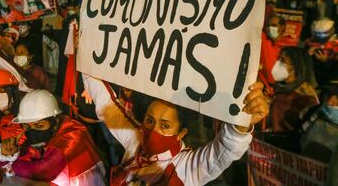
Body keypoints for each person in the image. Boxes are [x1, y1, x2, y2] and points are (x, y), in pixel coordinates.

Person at [83, 74, 268, 185]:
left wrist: (242, 120)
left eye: (165, 126)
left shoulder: (187, 166)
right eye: (149, 121)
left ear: (181, 133)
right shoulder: (136, 140)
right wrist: (87, 63)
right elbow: (107, 106)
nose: (153, 130)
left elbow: (225, 150)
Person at [0, 89, 106, 185]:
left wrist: (10, 165)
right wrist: (4, 154)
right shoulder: (45, 136)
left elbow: (43, 170)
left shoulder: (72, 135)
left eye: (39, 125)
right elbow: (0, 169)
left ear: (54, 122)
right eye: (26, 126)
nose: (32, 131)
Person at [270, 46, 318, 134]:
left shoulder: (301, 97)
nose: (277, 63)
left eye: (282, 60)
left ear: (295, 66)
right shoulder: (285, 88)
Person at [300, 83, 338, 163]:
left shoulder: (316, 110)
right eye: (326, 95)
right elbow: (302, 131)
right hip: (309, 162)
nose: (329, 101)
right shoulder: (315, 110)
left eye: (335, 98)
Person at [258, 15, 287, 94]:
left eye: (274, 25)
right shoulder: (263, 40)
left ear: (282, 27)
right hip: (263, 88)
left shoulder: (288, 47)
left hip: (279, 91)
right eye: (268, 26)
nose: (270, 28)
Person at [306, 18, 338, 85]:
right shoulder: (309, 43)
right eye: (318, 34)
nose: (321, 36)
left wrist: (326, 61)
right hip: (313, 79)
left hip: (331, 81)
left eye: (324, 33)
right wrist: (307, 55)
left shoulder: (335, 44)